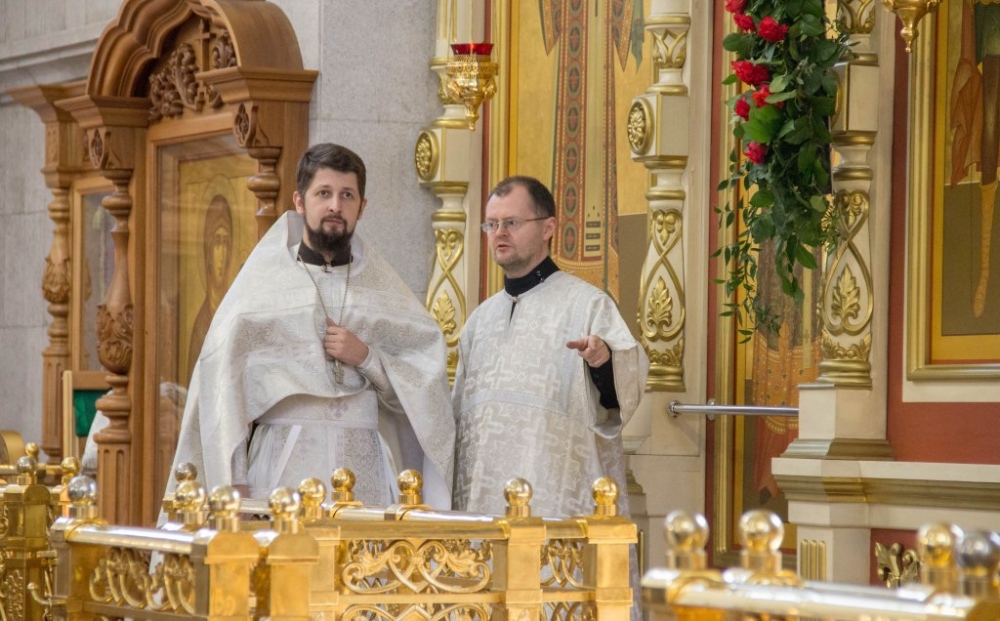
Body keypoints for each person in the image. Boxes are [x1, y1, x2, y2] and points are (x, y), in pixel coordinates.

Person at [165, 143, 455, 510]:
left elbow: (424, 398)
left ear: (362, 207)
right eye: (324, 193)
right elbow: (224, 391)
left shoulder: (387, 297)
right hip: (281, 470)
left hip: (364, 470)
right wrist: (235, 486)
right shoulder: (261, 290)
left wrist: (366, 358)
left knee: (364, 549)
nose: (335, 205)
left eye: (347, 195)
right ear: (300, 202)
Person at [452, 175, 648, 518]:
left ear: (548, 228)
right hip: (483, 501)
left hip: (554, 498)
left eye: (511, 222)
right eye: (492, 224)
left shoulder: (588, 306)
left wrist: (602, 362)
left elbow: (619, 401)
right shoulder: (479, 321)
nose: (499, 233)